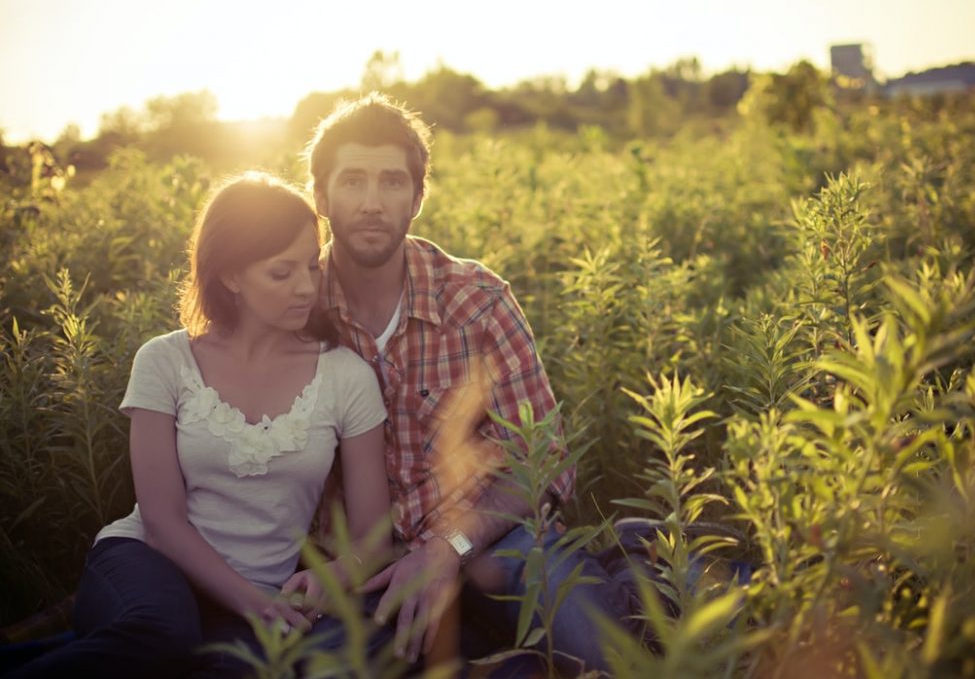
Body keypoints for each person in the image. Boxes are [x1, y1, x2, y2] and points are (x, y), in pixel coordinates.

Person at [307, 93, 640, 675]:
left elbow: (544, 463)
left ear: (416, 198)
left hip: (491, 543)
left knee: (608, 660)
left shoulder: (477, 301)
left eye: (391, 182)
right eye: (352, 180)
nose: (371, 203)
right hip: (367, 568)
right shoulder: (296, 311)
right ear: (321, 195)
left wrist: (447, 548)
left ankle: (636, 577)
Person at [10, 172, 392, 678]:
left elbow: (373, 536)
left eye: (310, 266)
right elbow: (163, 521)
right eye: (282, 273)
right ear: (231, 276)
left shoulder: (346, 376)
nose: (306, 287)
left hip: (263, 592)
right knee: (162, 632)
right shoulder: (165, 360)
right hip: (145, 565)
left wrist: (338, 574)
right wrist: (255, 605)